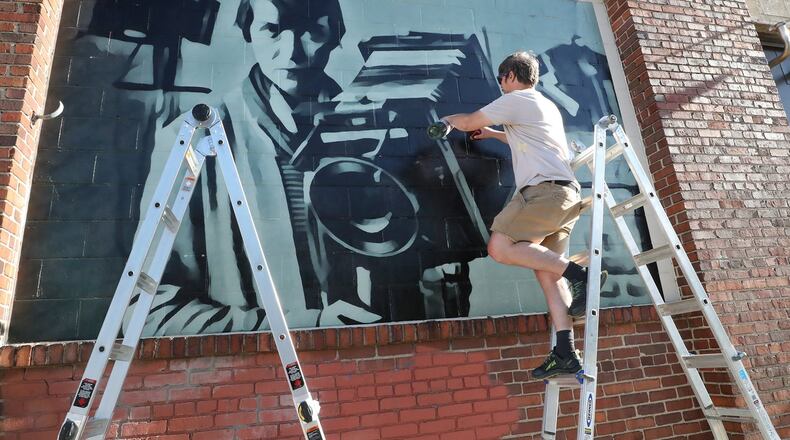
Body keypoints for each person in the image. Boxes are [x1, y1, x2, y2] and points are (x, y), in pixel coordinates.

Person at [438, 51, 607, 379]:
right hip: (565, 196)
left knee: (499, 247)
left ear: (512, 75)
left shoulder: (516, 99)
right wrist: (494, 135)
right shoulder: (544, 105)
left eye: (502, 78)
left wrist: (447, 122)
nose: (500, 84)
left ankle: (582, 275)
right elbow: (529, 140)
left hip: (542, 194)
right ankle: (565, 352)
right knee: (548, 274)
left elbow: (470, 120)